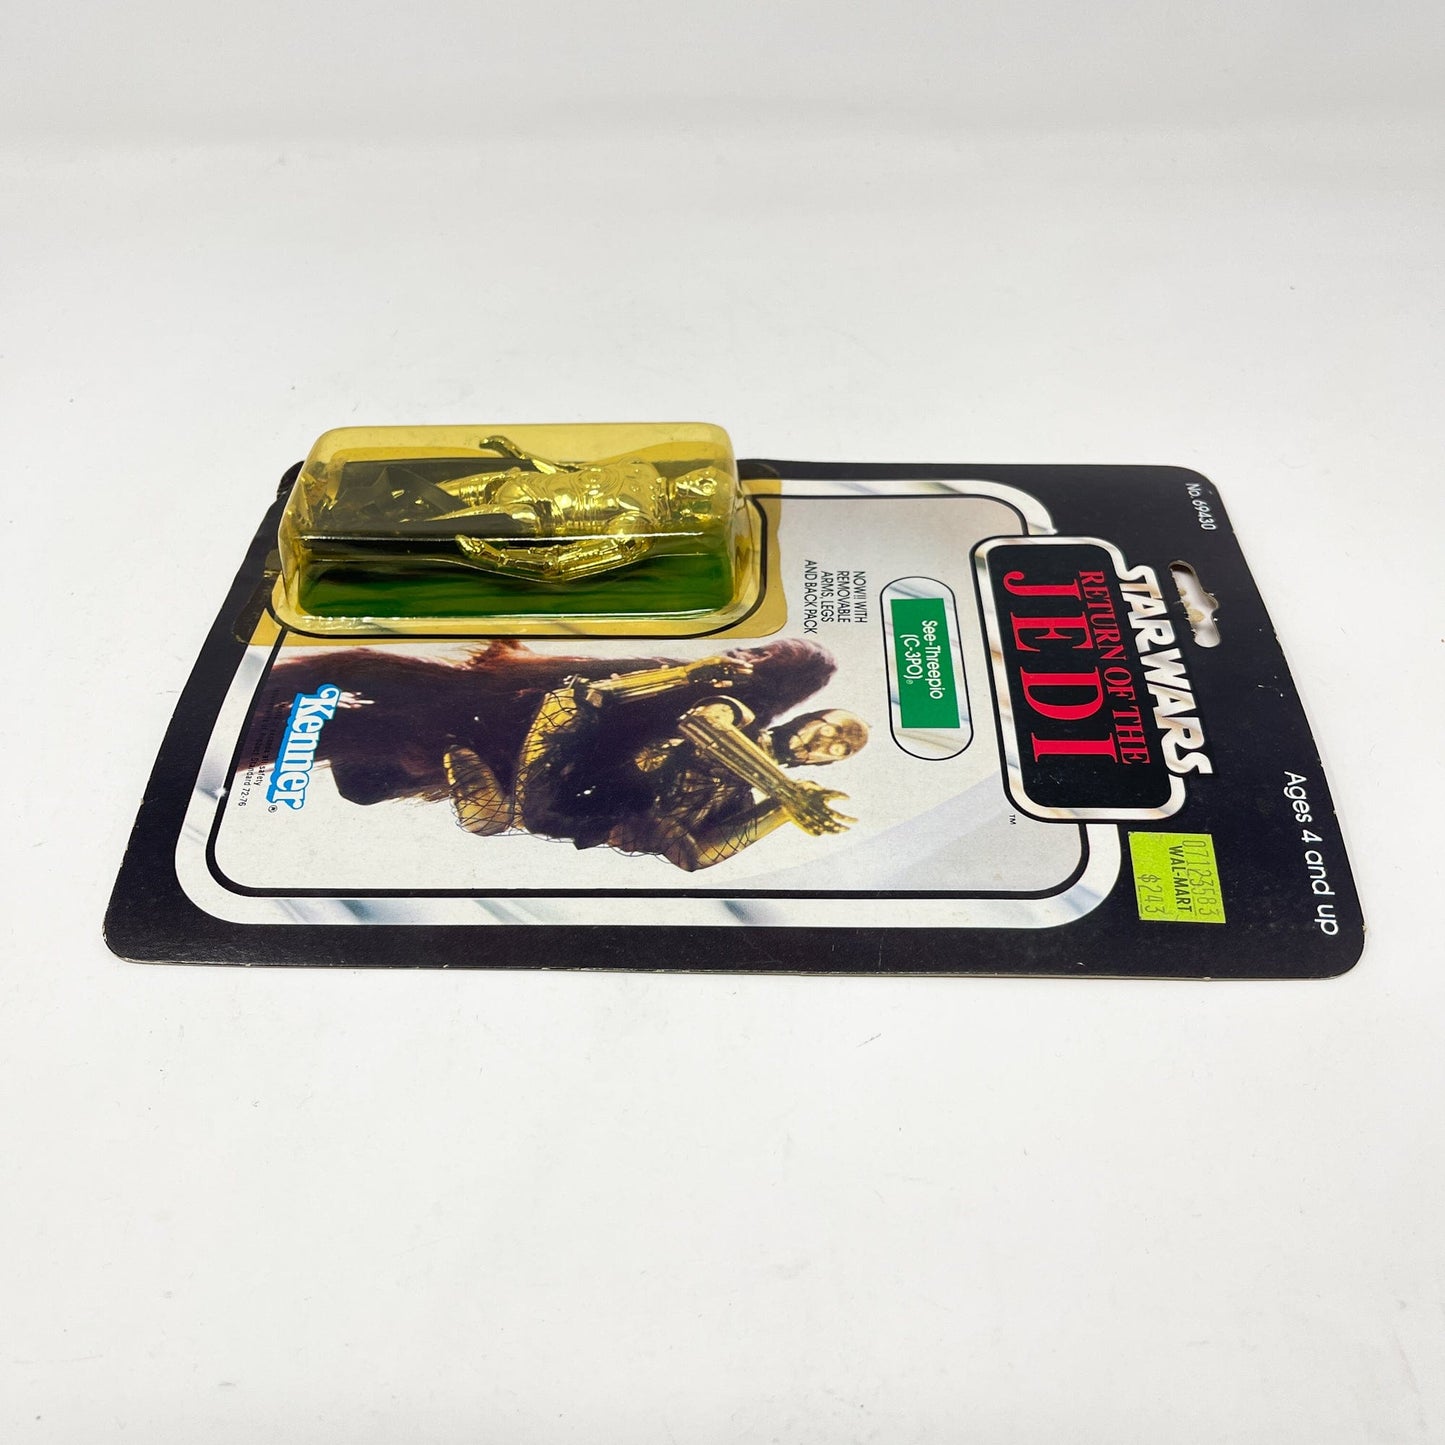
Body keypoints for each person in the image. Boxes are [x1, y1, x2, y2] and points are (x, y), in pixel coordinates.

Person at [256, 638, 868, 869]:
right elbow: (704, 723)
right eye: (835, 727)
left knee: (365, 782)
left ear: (826, 765)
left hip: (541, 780)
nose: (832, 741)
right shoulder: (740, 705)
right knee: (393, 756)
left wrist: (780, 810)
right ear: (806, 716)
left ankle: (459, 768)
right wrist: (790, 793)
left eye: (842, 749)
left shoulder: (736, 793)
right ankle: (469, 776)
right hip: (551, 731)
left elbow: (694, 854)